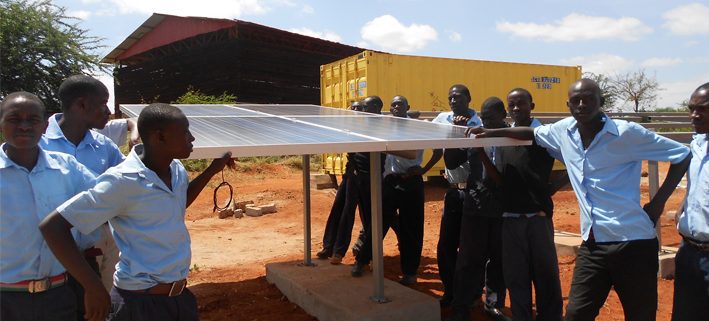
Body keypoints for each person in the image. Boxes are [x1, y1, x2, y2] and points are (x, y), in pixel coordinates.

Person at [469, 78, 691, 321]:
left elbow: (681, 155)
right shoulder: (563, 131)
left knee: (639, 315)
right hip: (592, 244)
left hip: (632, 243)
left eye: (589, 99)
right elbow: (530, 132)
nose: (582, 104)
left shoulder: (626, 133)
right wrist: (490, 133)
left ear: (601, 102)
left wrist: (657, 203)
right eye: (576, 100)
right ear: (568, 105)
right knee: (576, 314)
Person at [39, 103, 235, 321]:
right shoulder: (122, 181)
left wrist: (211, 170)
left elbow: (177, 203)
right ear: (159, 137)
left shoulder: (176, 169)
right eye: (185, 132)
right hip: (140, 304)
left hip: (179, 298)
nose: (192, 138)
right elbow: (53, 227)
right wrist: (92, 286)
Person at [0, 92, 96, 321]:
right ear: (1, 122)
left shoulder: (67, 169)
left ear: (45, 125)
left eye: (32, 120)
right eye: (14, 119)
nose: (24, 126)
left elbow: (107, 196)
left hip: (58, 296)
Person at [39, 75, 126, 317]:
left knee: (103, 305)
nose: (108, 111)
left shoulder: (104, 146)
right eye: (103, 103)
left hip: (102, 241)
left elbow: (125, 185)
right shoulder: (40, 144)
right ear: (81, 105)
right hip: (56, 251)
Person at [492, 88, 563, 321]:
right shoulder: (503, 138)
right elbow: (501, 178)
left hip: (538, 218)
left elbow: (576, 161)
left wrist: (552, 187)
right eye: (511, 105)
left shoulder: (544, 134)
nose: (515, 109)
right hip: (511, 217)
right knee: (516, 277)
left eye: (520, 104)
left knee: (546, 276)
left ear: (532, 106)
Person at [446, 97, 510, 321]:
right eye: (483, 117)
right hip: (475, 206)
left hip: (502, 209)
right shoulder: (474, 134)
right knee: (469, 259)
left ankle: (493, 305)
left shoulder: (512, 138)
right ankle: (461, 305)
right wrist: (457, 134)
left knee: (499, 259)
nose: (486, 122)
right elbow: (452, 161)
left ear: (504, 115)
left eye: (491, 117)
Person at [431, 84, 483, 307]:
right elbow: (420, 130)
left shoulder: (479, 124)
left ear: (469, 98)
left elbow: (459, 158)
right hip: (453, 193)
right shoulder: (442, 119)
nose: (453, 101)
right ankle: (450, 290)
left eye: (458, 97)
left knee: (471, 247)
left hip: (473, 194)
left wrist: (457, 131)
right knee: (446, 245)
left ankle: (472, 294)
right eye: (450, 97)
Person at [380, 95, 438, 285]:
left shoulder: (418, 128)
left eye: (400, 104)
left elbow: (438, 151)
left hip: (411, 183)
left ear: (407, 106)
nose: (396, 107)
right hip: (390, 182)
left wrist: (424, 169)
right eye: (393, 104)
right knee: (379, 222)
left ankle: (410, 272)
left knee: (412, 228)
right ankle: (365, 260)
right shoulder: (385, 126)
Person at [672, 82, 708, 321]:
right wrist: (684, 205)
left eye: (702, 109)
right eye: (691, 108)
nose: (694, 114)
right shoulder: (697, 145)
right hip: (689, 253)